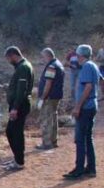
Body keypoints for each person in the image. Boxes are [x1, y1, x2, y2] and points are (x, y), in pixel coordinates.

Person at [64, 44, 100, 180]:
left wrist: (78, 107)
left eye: (77, 55)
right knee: (87, 138)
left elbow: (88, 87)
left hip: (86, 107)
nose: (76, 58)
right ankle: (90, 168)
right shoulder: (93, 65)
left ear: (80, 55)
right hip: (91, 105)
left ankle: (79, 169)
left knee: (80, 139)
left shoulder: (86, 67)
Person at [3, 46, 34, 171]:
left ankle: (19, 161)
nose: (9, 61)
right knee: (13, 131)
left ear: (13, 56)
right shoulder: (23, 66)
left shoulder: (23, 67)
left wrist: (15, 108)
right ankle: (17, 158)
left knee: (14, 132)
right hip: (19, 104)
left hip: (20, 105)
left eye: (8, 59)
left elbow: (22, 90)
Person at [35, 48, 65, 150]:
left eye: (43, 57)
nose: (42, 59)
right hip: (56, 96)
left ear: (47, 56)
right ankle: (53, 141)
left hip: (49, 97)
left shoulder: (51, 66)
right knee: (53, 118)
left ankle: (47, 143)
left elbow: (48, 83)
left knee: (47, 119)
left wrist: (42, 97)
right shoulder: (58, 64)